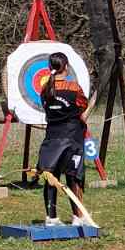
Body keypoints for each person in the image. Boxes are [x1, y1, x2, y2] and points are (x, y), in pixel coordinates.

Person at [37, 52, 89, 225]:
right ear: (66, 67)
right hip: (72, 137)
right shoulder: (73, 88)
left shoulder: (45, 89)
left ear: (50, 68)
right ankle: (78, 217)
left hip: (52, 137)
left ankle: (51, 217)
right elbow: (82, 106)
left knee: (51, 175)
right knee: (73, 176)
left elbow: (48, 108)